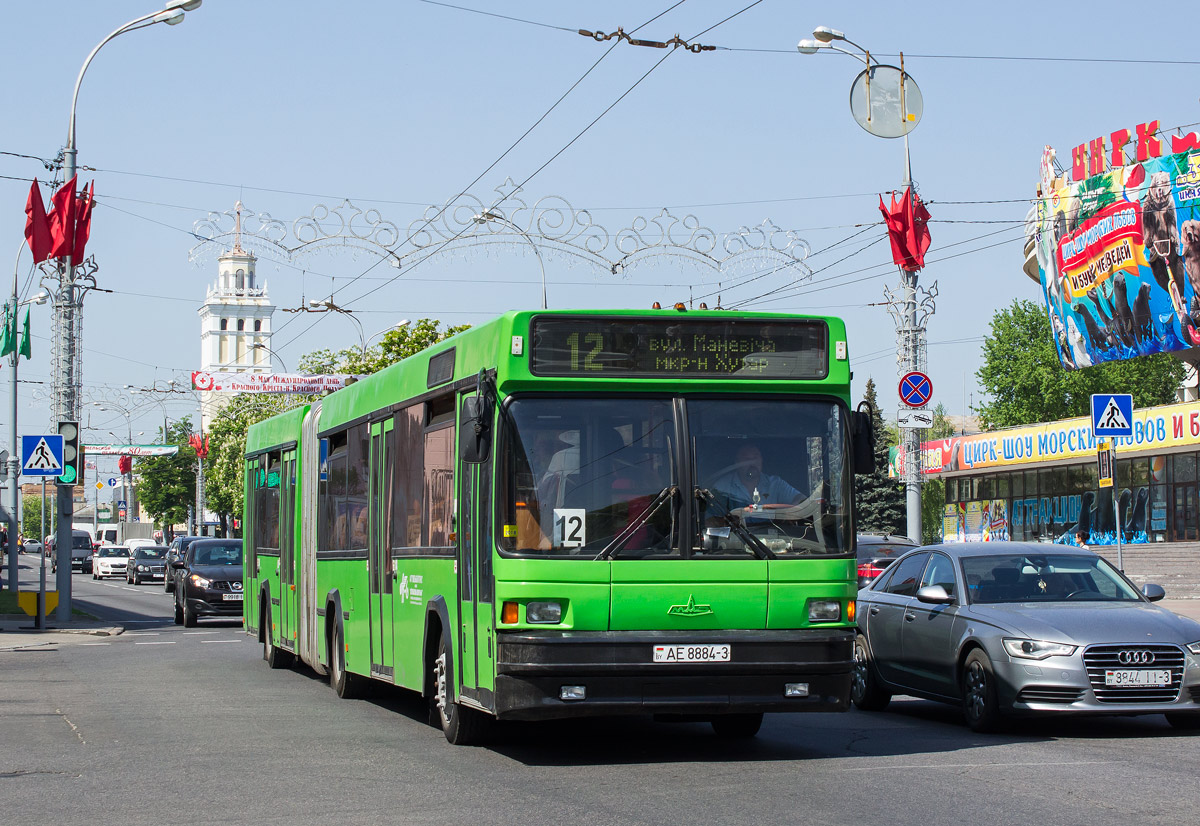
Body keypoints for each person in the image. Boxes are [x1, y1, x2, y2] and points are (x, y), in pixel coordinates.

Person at [711, 443, 804, 515]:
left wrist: (791, 512)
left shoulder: (775, 484)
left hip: (776, 538)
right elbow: (712, 520)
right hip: (737, 538)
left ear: (761, 460)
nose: (752, 463)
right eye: (746, 459)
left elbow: (802, 500)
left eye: (755, 458)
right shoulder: (722, 487)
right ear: (737, 463)